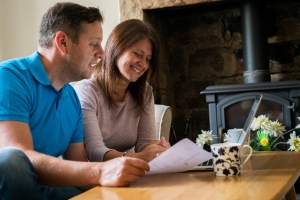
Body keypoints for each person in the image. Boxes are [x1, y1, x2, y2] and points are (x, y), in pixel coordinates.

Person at [0, 3, 149, 200]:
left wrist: (126, 176)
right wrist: (101, 171)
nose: (102, 53)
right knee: (11, 159)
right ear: (62, 42)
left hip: (47, 191)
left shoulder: (71, 97)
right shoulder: (10, 77)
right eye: (94, 44)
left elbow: (78, 172)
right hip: (13, 188)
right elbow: (19, 159)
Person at [73, 19, 170, 163]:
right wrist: (138, 158)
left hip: (124, 171)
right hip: (91, 176)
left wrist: (157, 149)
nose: (143, 64)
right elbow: (94, 151)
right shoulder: (86, 91)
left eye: (148, 59)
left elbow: (144, 143)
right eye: (137, 54)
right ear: (116, 48)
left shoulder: (144, 92)